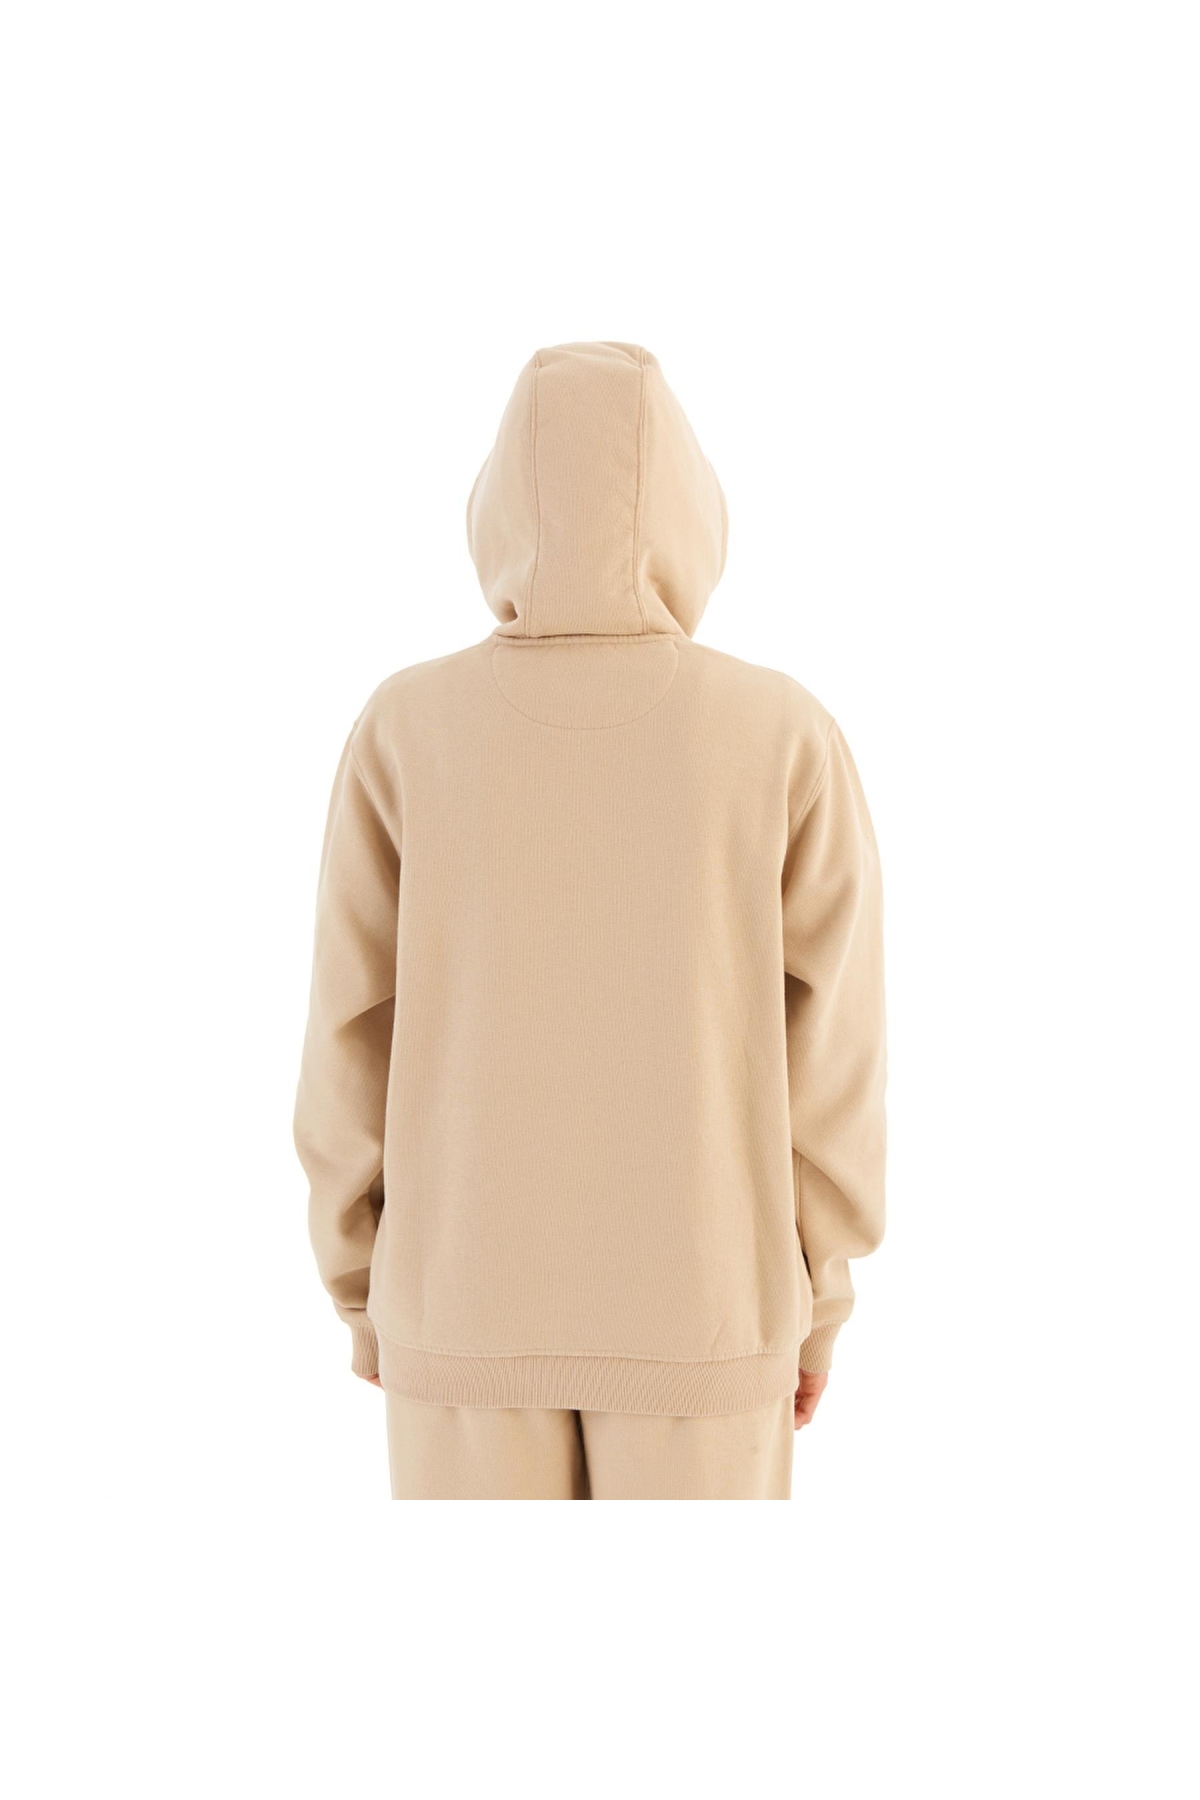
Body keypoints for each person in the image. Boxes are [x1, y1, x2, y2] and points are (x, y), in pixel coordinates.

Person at [295, 342, 886, 1500]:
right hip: (710, 1316)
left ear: (498, 504)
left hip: (460, 1311)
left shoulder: (406, 728)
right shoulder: (782, 734)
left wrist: (366, 1290)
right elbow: (836, 1059)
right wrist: (818, 1301)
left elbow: (347, 1034)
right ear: (690, 507)